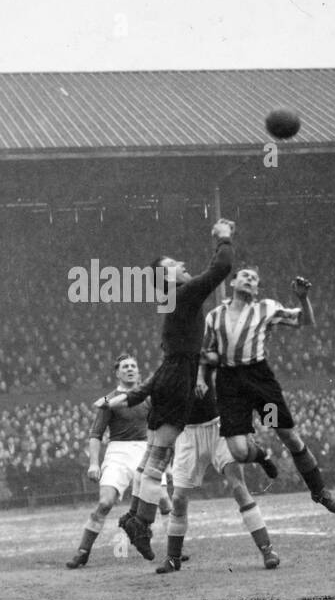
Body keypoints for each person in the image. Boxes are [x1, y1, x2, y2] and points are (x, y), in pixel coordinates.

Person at [99, 218, 236, 561]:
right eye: (175, 264)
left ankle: (135, 518)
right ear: (167, 277)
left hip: (171, 376)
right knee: (159, 459)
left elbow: (164, 365)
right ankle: (140, 524)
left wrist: (133, 395)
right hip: (178, 380)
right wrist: (223, 238)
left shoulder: (175, 299)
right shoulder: (183, 295)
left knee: (151, 458)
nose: (183, 264)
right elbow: (221, 268)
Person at [197, 268, 335, 515]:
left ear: (257, 289)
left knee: (287, 435)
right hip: (230, 385)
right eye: (245, 276)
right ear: (233, 282)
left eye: (254, 279)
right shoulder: (214, 317)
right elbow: (205, 353)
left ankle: (319, 491)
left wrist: (302, 299)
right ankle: (261, 456)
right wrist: (201, 378)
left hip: (258, 382)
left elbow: (304, 321)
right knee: (239, 452)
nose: (249, 279)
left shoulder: (266, 308)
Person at [154, 382, 279, 573]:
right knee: (178, 499)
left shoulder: (210, 365)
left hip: (218, 427)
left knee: (238, 488)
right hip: (187, 433)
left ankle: (267, 551)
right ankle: (173, 558)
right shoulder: (171, 371)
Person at [66, 352, 173, 568]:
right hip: (118, 452)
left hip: (146, 449)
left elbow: (160, 429)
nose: (130, 369)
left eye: (133, 366)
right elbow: (96, 434)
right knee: (105, 502)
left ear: (139, 371)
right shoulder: (109, 400)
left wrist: (167, 465)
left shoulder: (149, 398)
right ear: (117, 373)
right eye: (125, 367)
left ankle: (175, 551)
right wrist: (94, 463)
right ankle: (83, 551)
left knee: (163, 499)